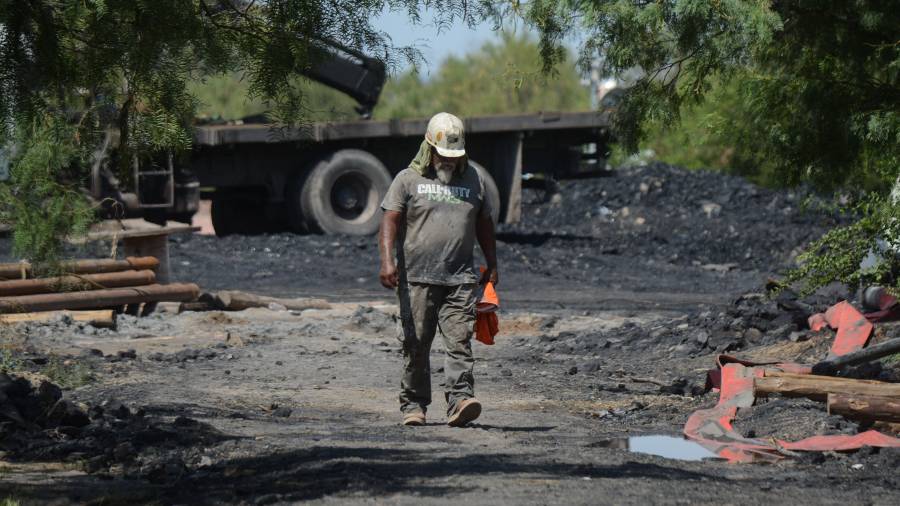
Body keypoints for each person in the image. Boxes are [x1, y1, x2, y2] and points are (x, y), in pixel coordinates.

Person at [378, 112, 498, 427]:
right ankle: (414, 406)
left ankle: (460, 401)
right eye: (443, 155)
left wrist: (493, 263)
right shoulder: (407, 179)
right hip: (416, 278)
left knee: (460, 341)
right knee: (416, 343)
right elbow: (389, 219)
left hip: (460, 279)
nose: (448, 161)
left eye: (454, 156)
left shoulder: (474, 179)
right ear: (429, 149)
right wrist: (387, 261)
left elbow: (484, 223)